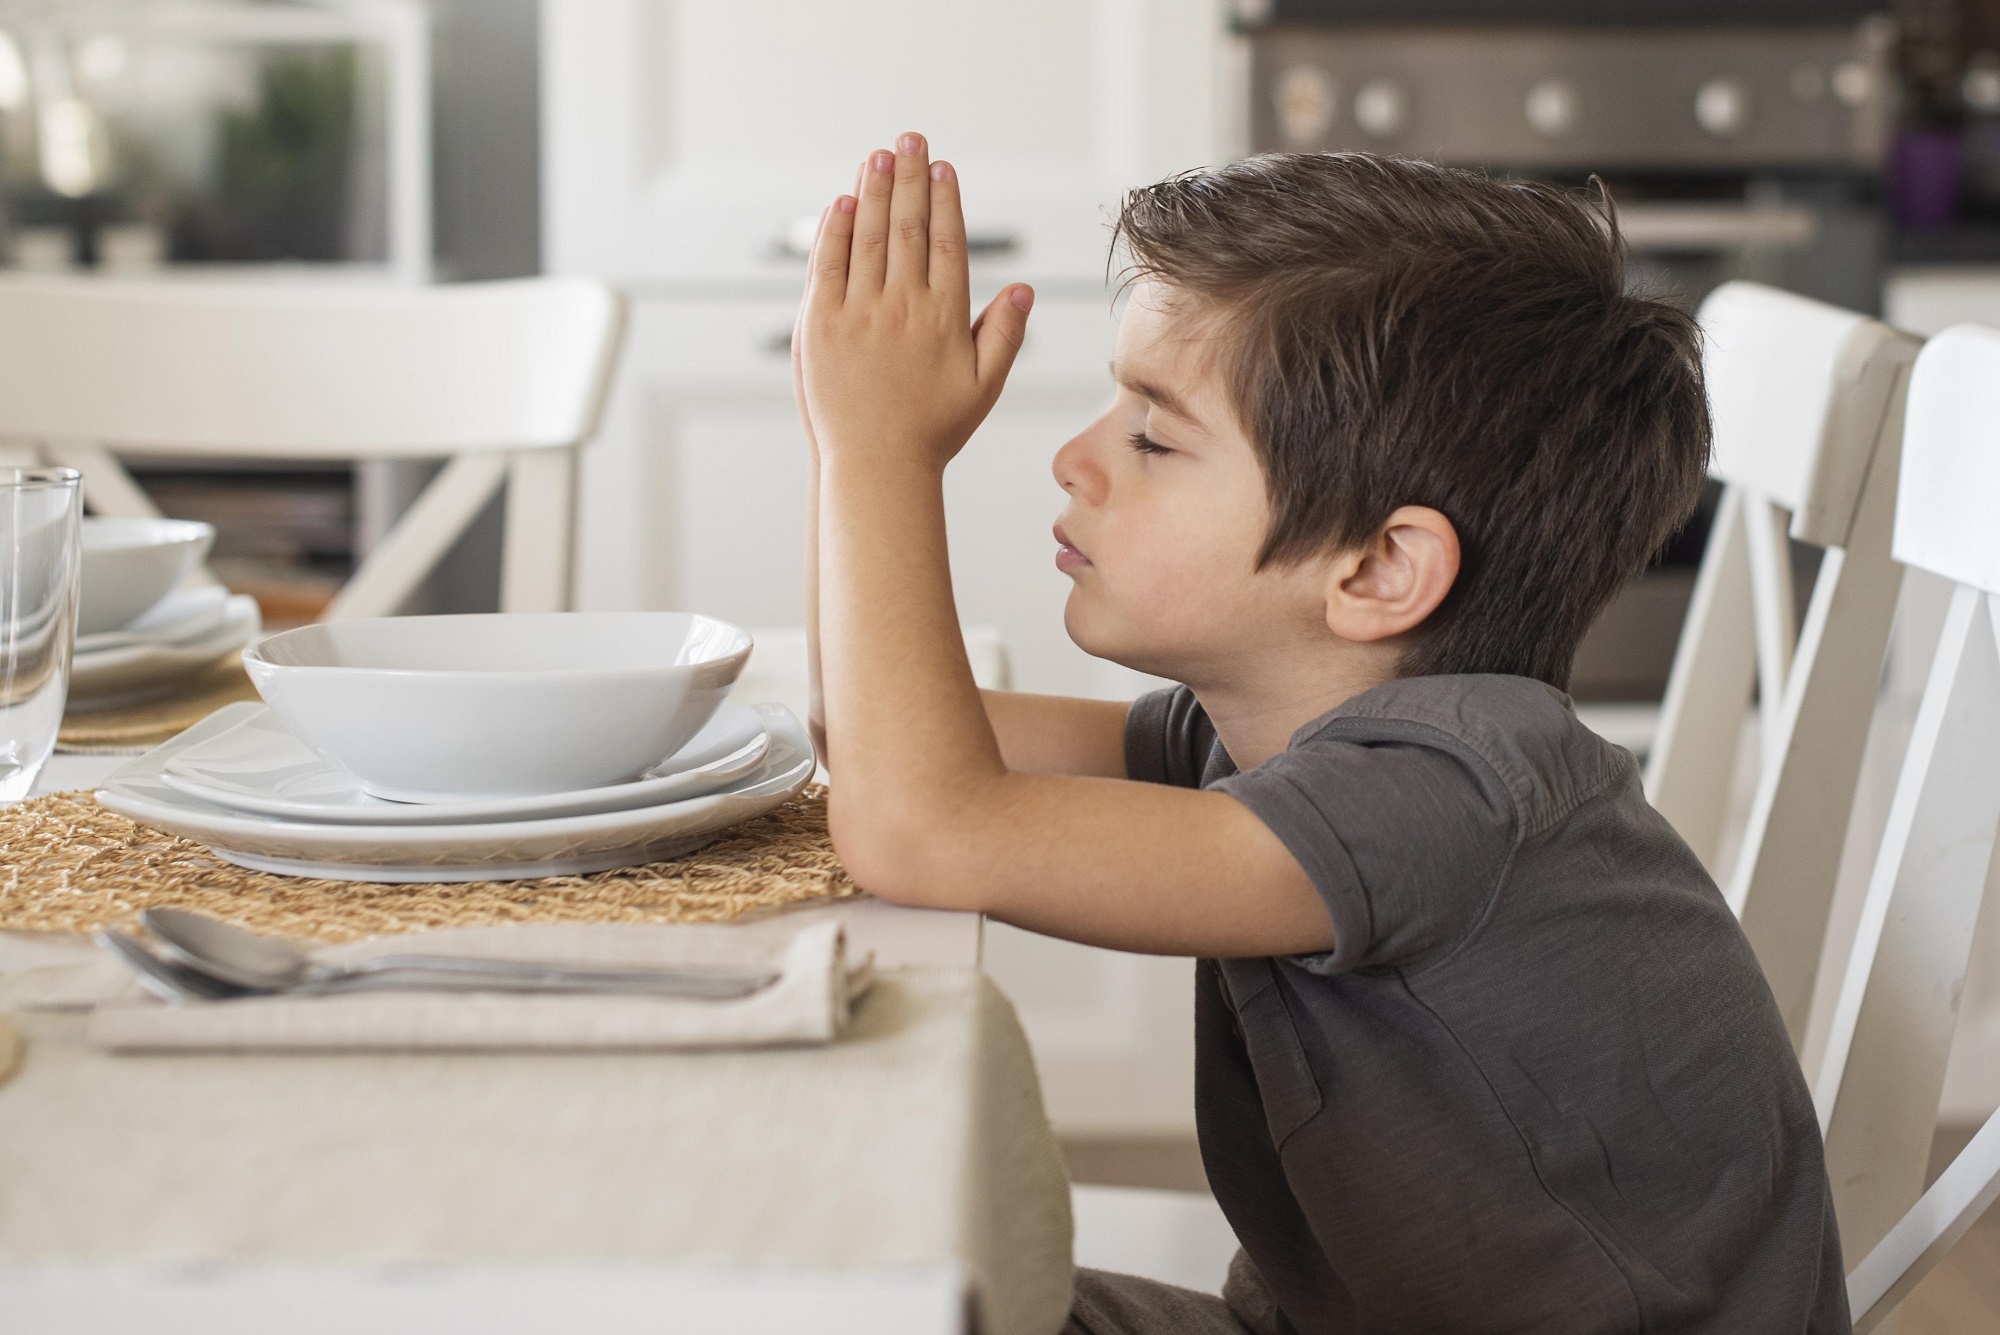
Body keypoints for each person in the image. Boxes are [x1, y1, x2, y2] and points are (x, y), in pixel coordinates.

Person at [792, 134, 1847, 1334]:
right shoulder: (1274, 729)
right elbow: (878, 735)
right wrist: (852, 442)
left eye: (1153, 434)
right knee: (846, 1292)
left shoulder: (1444, 794)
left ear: (1379, 568)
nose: (1074, 458)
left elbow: (920, 826)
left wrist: (877, 451)